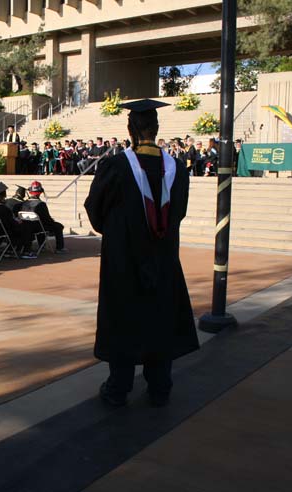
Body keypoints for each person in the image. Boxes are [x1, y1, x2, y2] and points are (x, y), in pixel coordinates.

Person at [84, 98, 199, 408]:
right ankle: (160, 386)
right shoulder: (177, 168)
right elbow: (180, 212)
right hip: (163, 258)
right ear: (157, 128)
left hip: (124, 260)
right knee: (159, 315)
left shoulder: (116, 166)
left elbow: (95, 210)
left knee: (123, 316)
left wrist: (119, 229)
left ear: (130, 129)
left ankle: (118, 387)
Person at [21, 181, 66, 253]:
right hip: (38, 227)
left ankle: (42, 245)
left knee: (41, 224)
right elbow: (47, 219)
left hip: (27, 227)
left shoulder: (24, 203)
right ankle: (60, 248)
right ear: (40, 192)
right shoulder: (41, 204)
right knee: (58, 226)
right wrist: (52, 221)